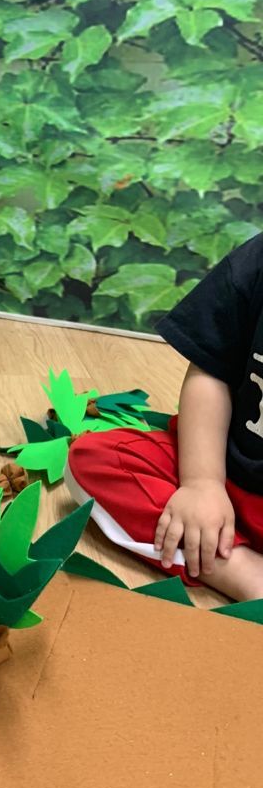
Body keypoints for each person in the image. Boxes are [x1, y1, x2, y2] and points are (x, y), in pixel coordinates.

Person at [67, 233, 263, 602]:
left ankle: (209, 548)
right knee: (92, 459)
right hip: (228, 476)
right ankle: (240, 569)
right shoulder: (256, 262)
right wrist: (202, 482)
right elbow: (211, 371)